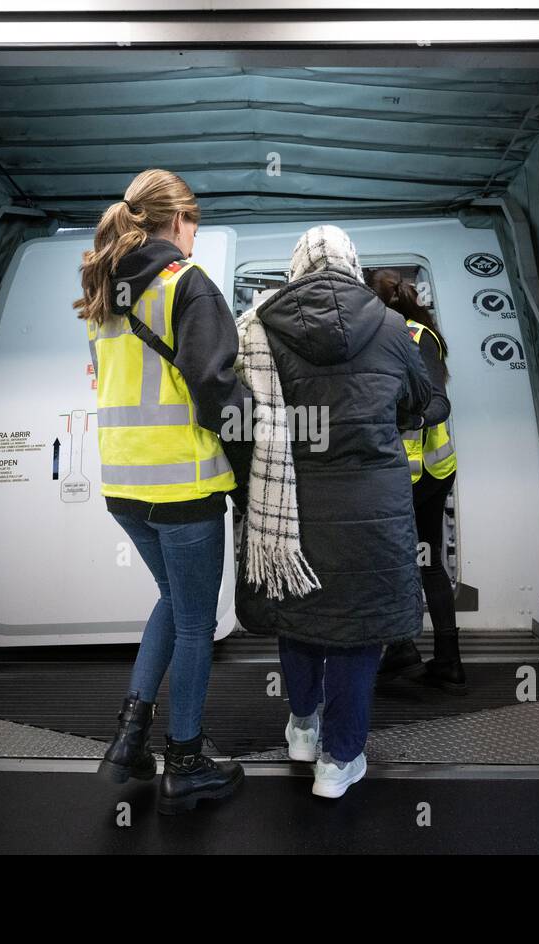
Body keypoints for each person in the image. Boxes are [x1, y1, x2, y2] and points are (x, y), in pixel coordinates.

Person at [75, 168, 252, 814]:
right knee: (197, 622)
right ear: (178, 221)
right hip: (185, 486)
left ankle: (129, 739)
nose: (196, 234)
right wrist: (252, 461)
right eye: (194, 221)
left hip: (125, 485)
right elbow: (216, 389)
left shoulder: (105, 290)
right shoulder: (186, 285)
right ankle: (186, 759)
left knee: (173, 602)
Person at [235, 225, 432, 799]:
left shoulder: (260, 329)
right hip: (375, 507)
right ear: (352, 264)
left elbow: (242, 417)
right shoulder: (393, 326)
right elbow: (419, 399)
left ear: (297, 267)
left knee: (302, 617)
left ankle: (301, 727)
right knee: (358, 628)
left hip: (295, 507)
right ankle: (339, 761)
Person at [370, 270, 463, 693]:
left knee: (417, 564)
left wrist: (409, 418)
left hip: (419, 475)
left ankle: (440, 658)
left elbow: (438, 404)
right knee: (416, 563)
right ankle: (413, 650)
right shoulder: (406, 332)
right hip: (415, 473)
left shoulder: (411, 336)